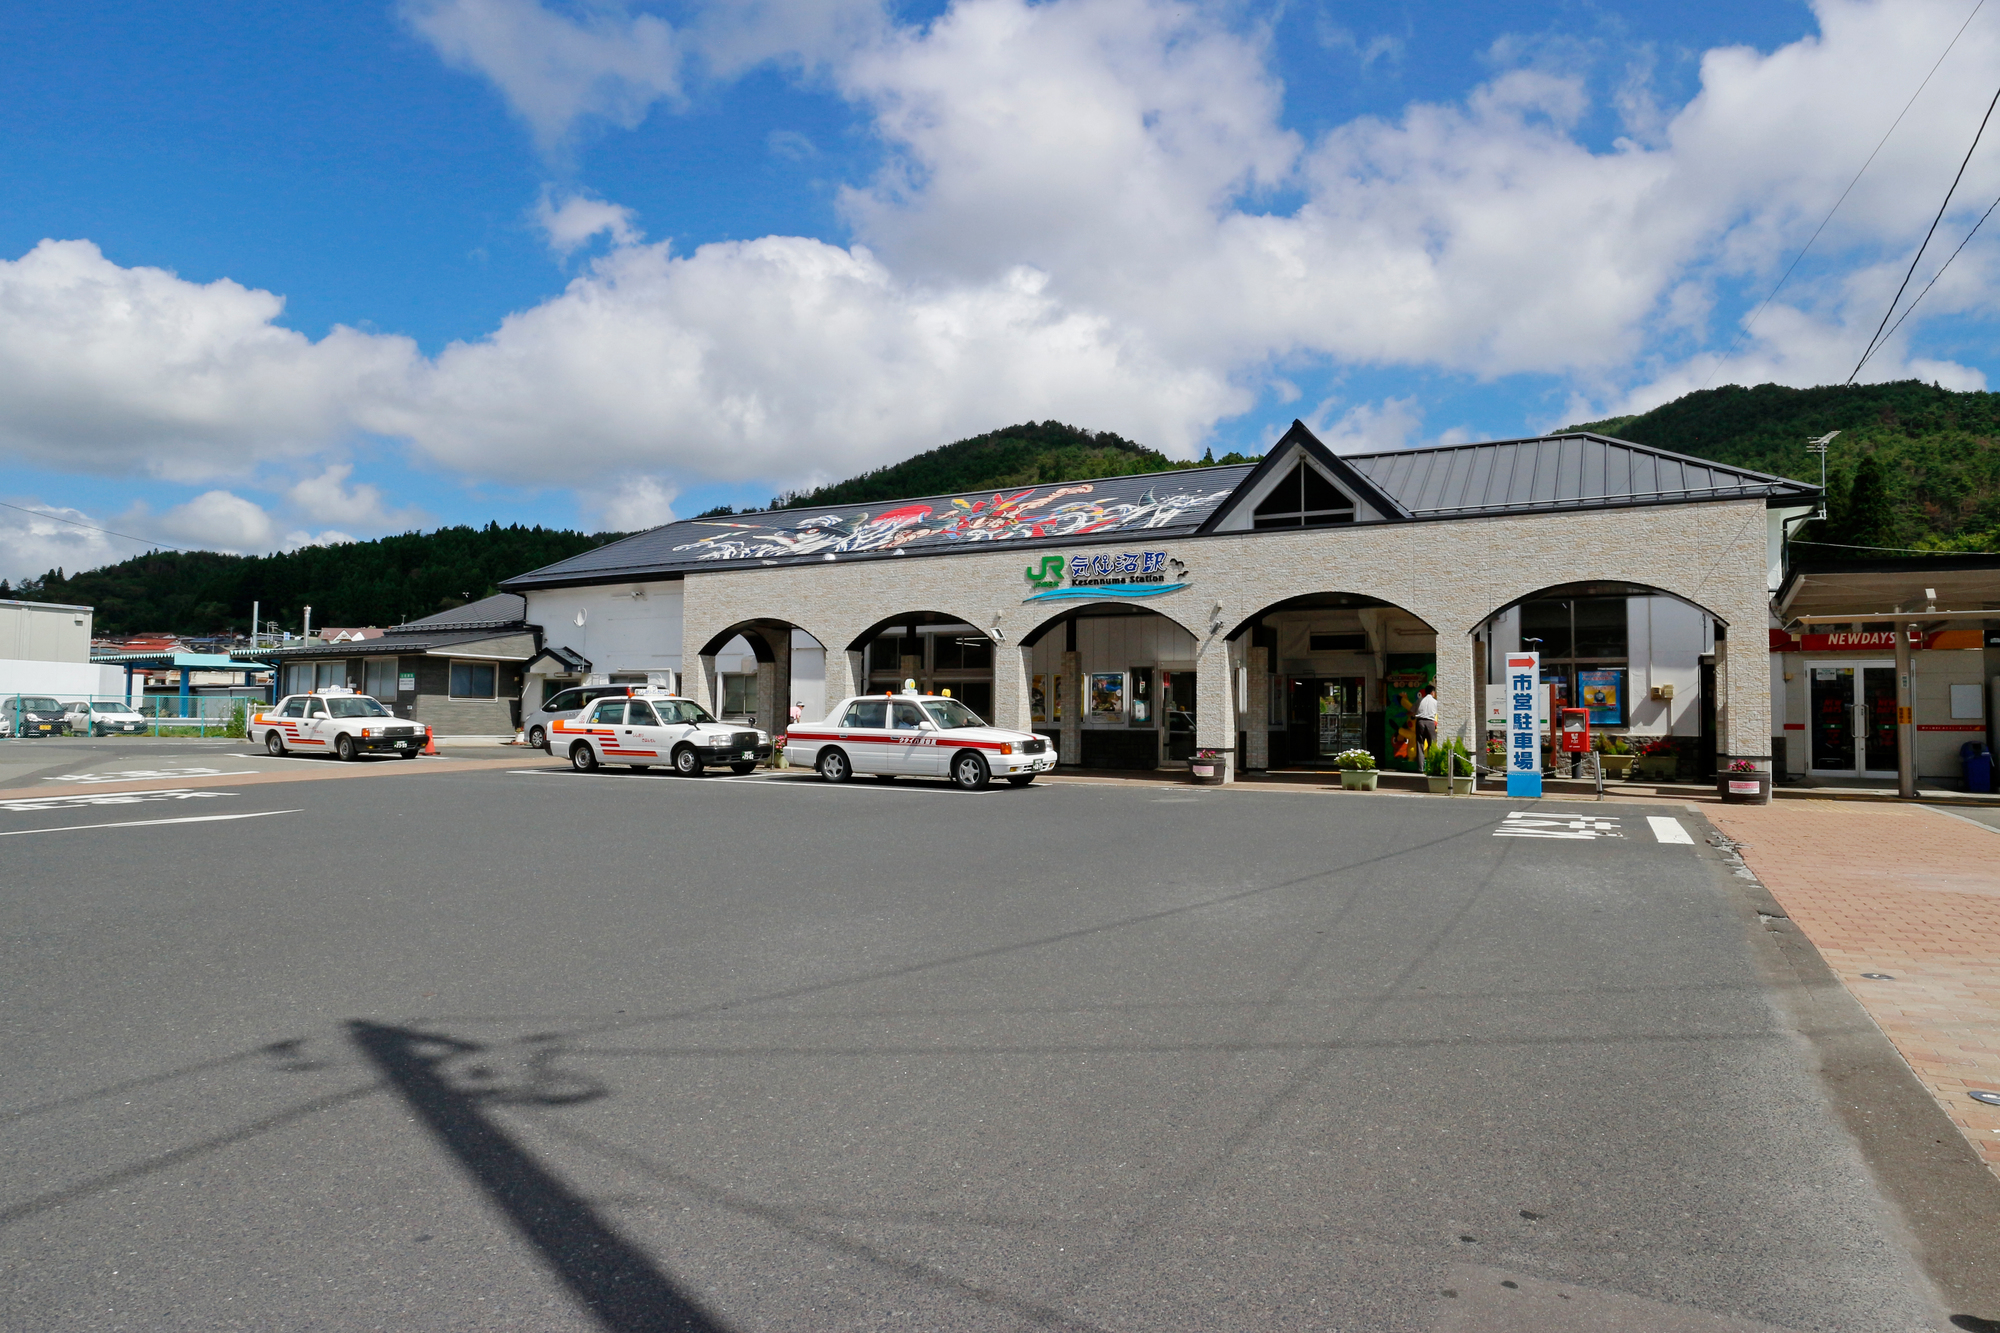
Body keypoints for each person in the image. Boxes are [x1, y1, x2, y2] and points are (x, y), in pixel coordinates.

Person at [1414, 685, 1438, 757]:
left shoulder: (1419, 700)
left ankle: (1420, 767)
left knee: (1420, 745)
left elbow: (1412, 710)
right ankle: (1431, 764)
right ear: (1432, 692)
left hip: (1419, 722)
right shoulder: (1435, 702)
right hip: (1430, 722)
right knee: (1432, 744)